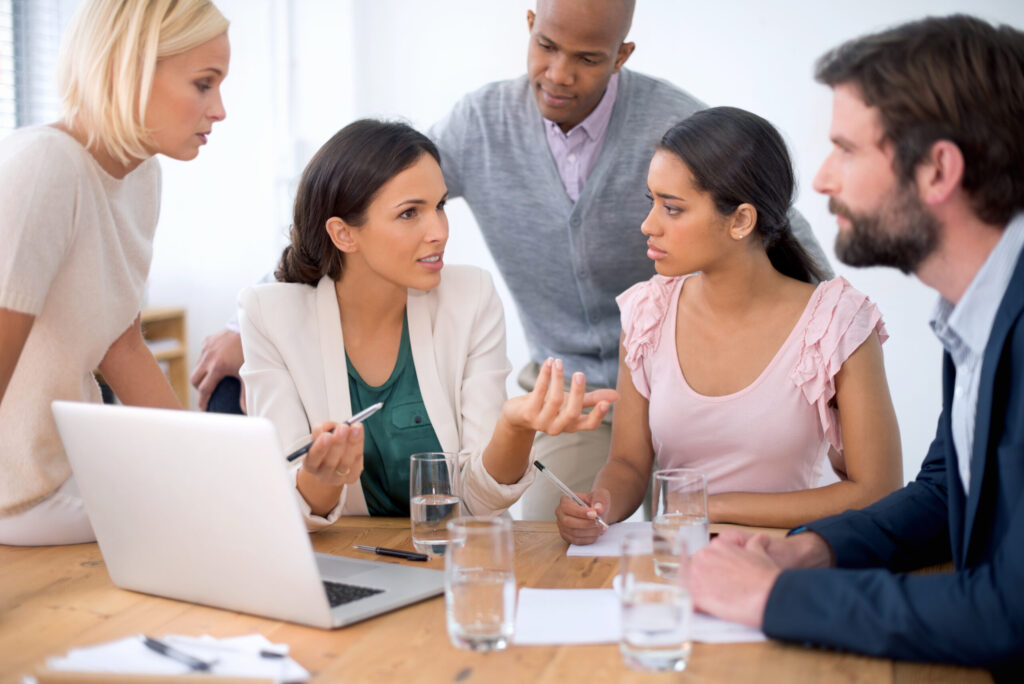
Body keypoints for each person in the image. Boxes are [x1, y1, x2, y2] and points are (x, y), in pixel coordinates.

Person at [192, 0, 832, 519]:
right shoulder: (482, 124)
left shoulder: (673, 126)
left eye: (587, 59)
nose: (559, 74)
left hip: (686, 381)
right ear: (530, 24)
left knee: (711, 525)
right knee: (556, 534)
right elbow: (368, 195)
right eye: (546, 46)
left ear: (622, 56)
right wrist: (243, 317)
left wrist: (829, 345)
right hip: (569, 394)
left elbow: (779, 228)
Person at [688, 15, 1024, 679]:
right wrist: (810, 551)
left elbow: (1011, 613)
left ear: (937, 170)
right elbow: (943, 492)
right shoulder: (977, 308)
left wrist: (774, 596)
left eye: (846, 149)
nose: (820, 179)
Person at [238, 120, 616, 525]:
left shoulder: (470, 296)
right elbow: (287, 501)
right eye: (409, 213)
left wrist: (514, 426)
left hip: (453, 560)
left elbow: (481, 501)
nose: (439, 231)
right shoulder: (269, 315)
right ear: (343, 234)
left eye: (440, 206)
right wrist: (324, 477)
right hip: (344, 564)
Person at [554, 107, 902, 543]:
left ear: (740, 220)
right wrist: (600, 502)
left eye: (673, 209)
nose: (648, 225)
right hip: (679, 567)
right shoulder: (647, 314)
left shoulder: (837, 323)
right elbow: (627, 463)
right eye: (653, 202)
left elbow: (879, 492)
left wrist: (712, 507)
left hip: (794, 566)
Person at [0, 0, 229, 546]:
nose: (219, 110)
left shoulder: (140, 172)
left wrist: (207, 465)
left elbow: (121, 346)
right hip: (20, 497)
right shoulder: (44, 166)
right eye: (204, 84)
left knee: (222, 508)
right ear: (127, 69)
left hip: (71, 475)